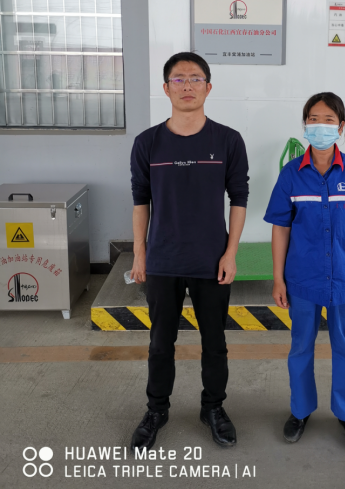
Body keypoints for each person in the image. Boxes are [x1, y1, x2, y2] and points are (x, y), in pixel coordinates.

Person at [129, 52, 249, 451]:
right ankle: (156, 410)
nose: (187, 86)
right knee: (160, 344)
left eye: (195, 78)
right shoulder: (147, 142)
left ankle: (213, 408)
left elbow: (239, 198)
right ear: (166, 88)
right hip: (163, 261)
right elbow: (140, 201)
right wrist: (140, 254)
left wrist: (231, 253)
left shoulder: (228, 140)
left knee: (214, 343)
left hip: (211, 261)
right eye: (178, 79)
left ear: (208, 87)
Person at [264, 92, 345, 453]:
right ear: (305, 125)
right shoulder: (291, 175)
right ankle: (300, 411)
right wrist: (278, 278)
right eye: (313, 119)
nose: (320, 126)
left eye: (329, 120)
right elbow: (280, 229)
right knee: (300, 346)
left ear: (341, 126)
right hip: (302, 280)